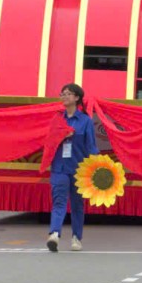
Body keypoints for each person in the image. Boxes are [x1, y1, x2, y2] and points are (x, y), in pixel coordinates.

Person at [47, 83, 97, 252]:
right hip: (59, 167)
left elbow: (91, 146)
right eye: (63, 94)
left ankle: (76, 237)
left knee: (77, 205)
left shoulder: (85, 121)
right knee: (59, 202)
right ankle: (54, 234)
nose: (64, 97)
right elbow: (48, 142)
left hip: (79, 170)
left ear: (77, 98)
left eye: (68, 94)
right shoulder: (57, 119)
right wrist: (60, 135)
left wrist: (96, 168)